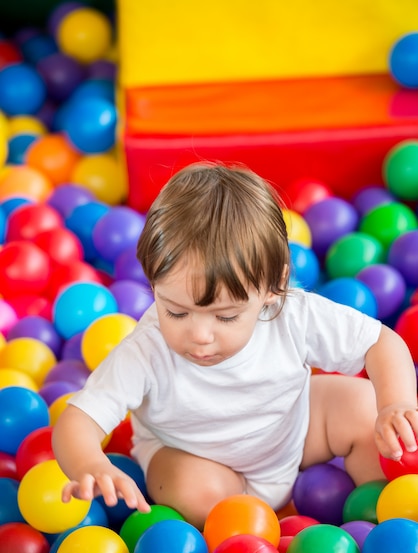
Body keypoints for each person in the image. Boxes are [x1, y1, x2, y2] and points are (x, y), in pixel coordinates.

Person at [52, 162, 418, 530]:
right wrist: (90, 465)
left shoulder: (292, 314)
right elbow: (78, 420)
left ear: (272, 289)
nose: (199, 335)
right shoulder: (147, 350)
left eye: (225, 317)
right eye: (176, 311)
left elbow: (381, 342)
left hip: (293, 432)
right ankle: (251, 533)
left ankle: (383, 516)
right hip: (200, 460)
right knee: (190, 485)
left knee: (364, 405)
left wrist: (396, 403)